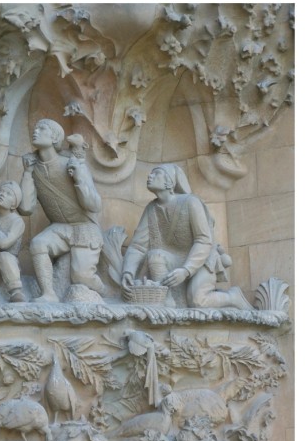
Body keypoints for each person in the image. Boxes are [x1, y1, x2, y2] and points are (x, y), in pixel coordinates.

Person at [121, 163, 252, 309]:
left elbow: (203, 240)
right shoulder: (151, 209)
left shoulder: (191, 202)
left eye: (156, 173)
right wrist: (128, 272)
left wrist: (186, 270)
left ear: (169, 182)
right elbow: (138, 246)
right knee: (155, 256)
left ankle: (232, 297)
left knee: (197, 301)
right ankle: (166, 302)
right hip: (174, 259)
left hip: (200, 260)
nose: (149, 176)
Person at [19, 120, 104, 302]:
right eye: (35, 127)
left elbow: (94, 205)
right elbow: (25, 208)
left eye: (42, 129)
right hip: (60, 227)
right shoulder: (33, 169)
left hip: (84, 228)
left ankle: (108, 289)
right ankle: (48, 294)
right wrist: (26, 174)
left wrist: (79, 177)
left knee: (82, 278)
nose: (36, 131)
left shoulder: (70, 163)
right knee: (38, 244)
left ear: (55, 137)